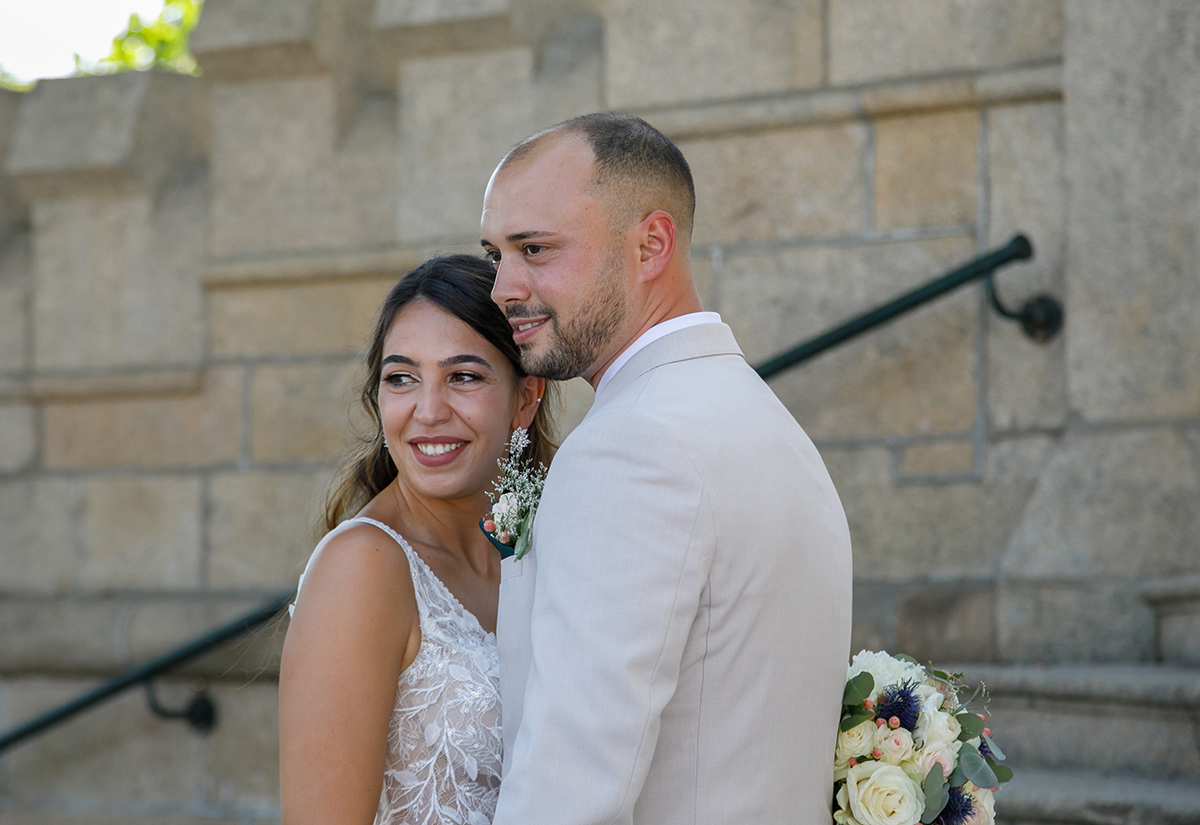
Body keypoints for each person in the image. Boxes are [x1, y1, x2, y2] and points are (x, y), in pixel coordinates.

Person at [479, 113, 854, 824]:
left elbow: (571, 786)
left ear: (651, 244)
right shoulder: (763, 418)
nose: (502, 286)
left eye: (535, 248)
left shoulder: (633, 445)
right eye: (495, 252)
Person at [279, 255, 553, 825]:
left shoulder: (542, 544)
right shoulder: (363, 568)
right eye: (401, 378)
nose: (428, 412)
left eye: (463, 376)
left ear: (526, 398)